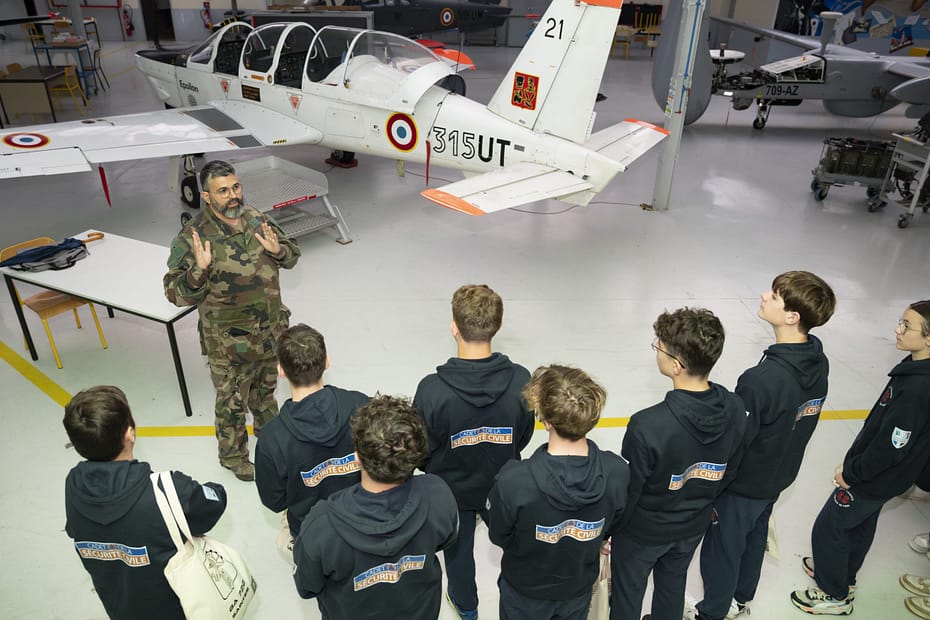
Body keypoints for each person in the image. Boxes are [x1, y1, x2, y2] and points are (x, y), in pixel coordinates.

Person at [694, 271, 835, 620]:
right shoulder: (817, 361)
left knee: (723, 547)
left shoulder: (763, 380)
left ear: (792, 316)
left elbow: (737, 440)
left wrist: (716, 484)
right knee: (755, 534)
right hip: (779, 473)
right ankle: (741, 597)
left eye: (773, 296)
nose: (762, 296)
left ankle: (712, 611)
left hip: (745, 483)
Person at [164, 160, 301, 481]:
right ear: (207, 197)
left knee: (266, 395)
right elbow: (174, 292)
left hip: (270, 333)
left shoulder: (257, 218)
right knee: (231, 404)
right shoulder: (193, 237)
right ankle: (234, 457)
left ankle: (271, 442)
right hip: (227, 343)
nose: (233, 195)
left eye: (236, 187)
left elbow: (293, 255)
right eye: (223, 191)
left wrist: (279, 250)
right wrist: (198, 271)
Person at [791, 300, 930, 616]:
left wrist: (853, 473)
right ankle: (843, 574)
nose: (898, 329)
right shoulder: (916, 369)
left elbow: (892, 447)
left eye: (907, 326)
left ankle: (834, 593)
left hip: (873, 476)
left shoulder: (918, 387)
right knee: (862, 523)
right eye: (901, 321)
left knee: (830, 527)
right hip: (888, 478)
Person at [610, 307, 750, 620]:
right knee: (673, 583)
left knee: (627, 593)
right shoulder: (735, 407)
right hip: (692, 524)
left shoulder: (648, 425)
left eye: (658, 346)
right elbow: (732, 469)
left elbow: (631, 491)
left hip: (642, 532)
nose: (656, 351)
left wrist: (612, 528)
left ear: (676, 365)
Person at [413, 283, 534, 620]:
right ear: (497, 326)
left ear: (454, 327)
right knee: (517, 542)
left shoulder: (432, 390)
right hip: (505, 484)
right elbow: (522, 435)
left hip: (451, 490)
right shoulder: (520, 381)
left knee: (458, 552)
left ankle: (467, 608)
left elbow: (420, 449)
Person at [63, 386, 228, 620]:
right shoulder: (168, 490)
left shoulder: (74, 485)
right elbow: (213, 504)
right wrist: (216, 489)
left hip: (120, 607)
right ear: (130, 433)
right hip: (178, 609)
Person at [292, 395, 459, 619]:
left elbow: (307, 586)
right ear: (416, 455)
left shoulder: (322, 526)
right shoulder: (439, 496)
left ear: (357, 457)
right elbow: (445, 541)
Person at [488, 364, 629, 620]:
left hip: (525, 591)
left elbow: (500, 534)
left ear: (546, 420)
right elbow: (613, 523)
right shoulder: (617, 473)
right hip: (577, 588)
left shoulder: (514, 481)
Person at [255, 323, 370, 542]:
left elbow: (274, 500)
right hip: (362, 522)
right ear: (326, 361)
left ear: (280, 370)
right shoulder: (360, 405)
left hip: (311, 534)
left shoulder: (272, 438)